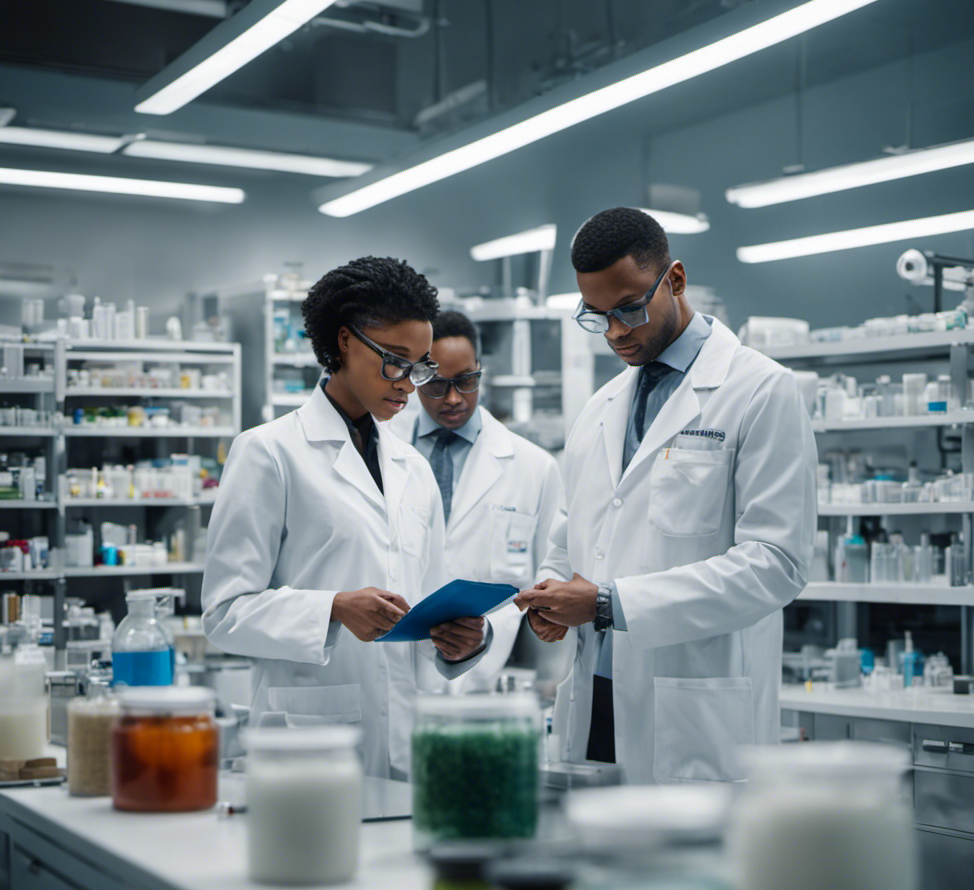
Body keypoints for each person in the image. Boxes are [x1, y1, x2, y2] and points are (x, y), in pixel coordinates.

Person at [515, 208, 817, 784]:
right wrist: (551, 604)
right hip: (596, 699)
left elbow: (776, 564)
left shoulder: (760, 391)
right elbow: (571, 534)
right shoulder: (601, 407)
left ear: (675, 280)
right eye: (596, 316)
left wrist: (609, 603)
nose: (615, 332)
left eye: (629, 308)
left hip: (694, 714)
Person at [202, 256, 490, 780]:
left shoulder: (413, 469)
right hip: (307, 743)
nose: (408, 383)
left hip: (406, 739)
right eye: (395, 361)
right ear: (345, 341)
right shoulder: (269, 452)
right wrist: (332, 609)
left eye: (420, 365)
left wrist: (461, 642)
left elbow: (426, 612)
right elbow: (224, 613)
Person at [393, 310, 563, 692]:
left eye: (467, 381)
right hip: (396, 676)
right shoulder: (384, 452)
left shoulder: (535, 467)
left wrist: (483, 633)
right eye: (436, 385)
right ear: (416, 376)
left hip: (485, 680)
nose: (453, 398)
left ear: (481, 371)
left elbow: (549, 582)